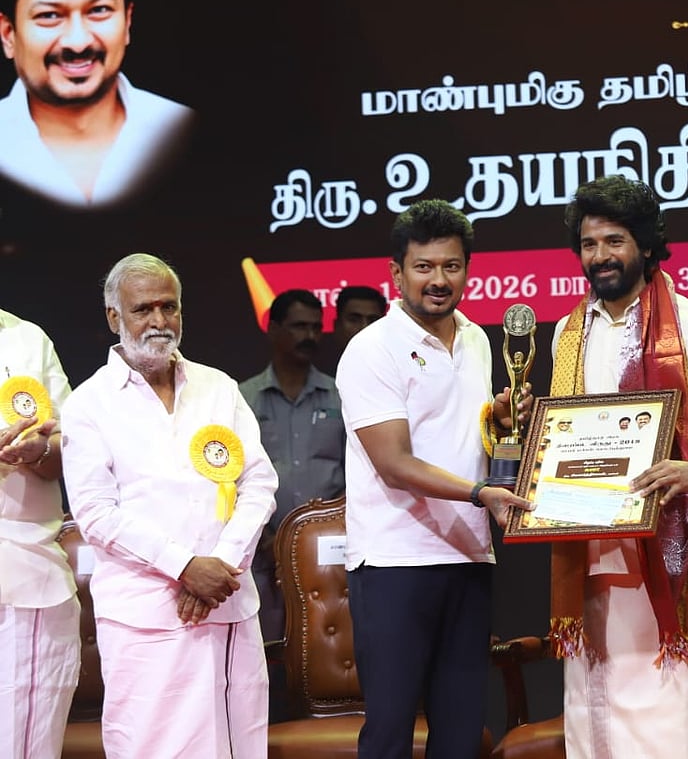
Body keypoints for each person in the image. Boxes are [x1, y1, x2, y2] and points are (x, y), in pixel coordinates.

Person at [550, 175, 688, 759]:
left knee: (668, 719)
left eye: (614, 241)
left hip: (670, 548)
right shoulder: (567, 334)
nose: (600, 256)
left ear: (647, 246)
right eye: (589, 243)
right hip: (588, 547)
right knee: (592, 711)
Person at [335, 200, 533, 759]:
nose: (438, 280)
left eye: (451, 266)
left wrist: (500, 422)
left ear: (467, 269)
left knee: (461, 732)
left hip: (468, 555)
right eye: (423, 267)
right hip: (395, 562)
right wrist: (478, 493)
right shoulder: (371, 350)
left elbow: (463, 434)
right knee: (391, 732)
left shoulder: (477, 339)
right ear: (396, 273)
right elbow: (394, 463)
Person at [61, 253, 277, 758]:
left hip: (227, 604)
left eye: (169, 306)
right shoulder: (89, 404)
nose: (159, 320)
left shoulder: (218, 387)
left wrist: (219, 564)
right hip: (147, 617)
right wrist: (185, 567)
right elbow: (96, 513)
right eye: (143, 309)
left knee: (241, 745)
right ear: (114, 317)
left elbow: (259, 482)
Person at [0, 0, 194, 207]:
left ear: (128, 22)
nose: (78, 42)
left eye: (99, 10)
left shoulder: (190, 137)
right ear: (8, 34)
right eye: (49, 15)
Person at [240, 289, 345, 645]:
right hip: (261, 553)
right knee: (267, 651)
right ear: (274, 329)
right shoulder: (243, 398)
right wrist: (268, 538)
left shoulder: (339, 396)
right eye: (299, 326)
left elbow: (358, 476)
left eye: (315, 327)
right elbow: (230, 480)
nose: (309, 336)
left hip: (330, 552)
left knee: (331, 650)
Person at [0, 309, 78, 758]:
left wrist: (40, 450)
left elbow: (72, 446)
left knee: (29, 745)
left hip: (32, 576)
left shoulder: (28, 338)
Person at [327, 285, 387, 371]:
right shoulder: (320, 372)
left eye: (373, 320)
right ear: (337, 326)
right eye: (354, 320)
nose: (364, 327)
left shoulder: (399, 370)